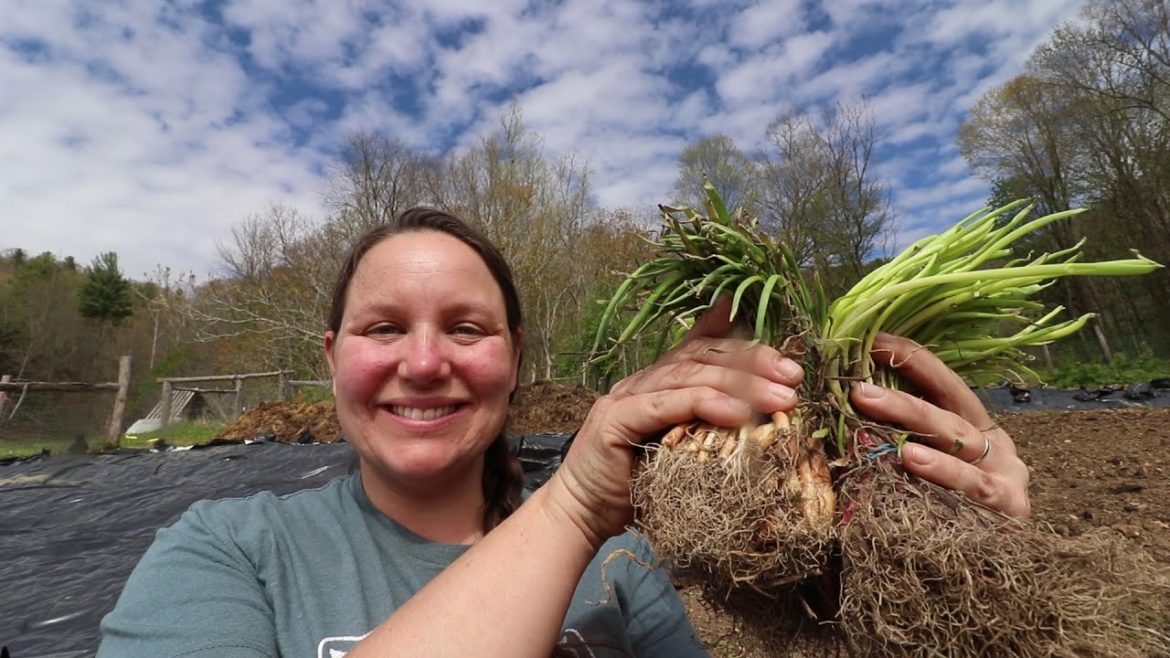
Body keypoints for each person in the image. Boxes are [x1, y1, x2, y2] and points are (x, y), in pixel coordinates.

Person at [97, 207, 1030, 657]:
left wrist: (963, 574)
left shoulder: (624, 570)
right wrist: (575, 502)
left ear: (513, 355)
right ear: (333, 355)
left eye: (467, 328)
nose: (425, 364)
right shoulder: (225, 552)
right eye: (385, 329)